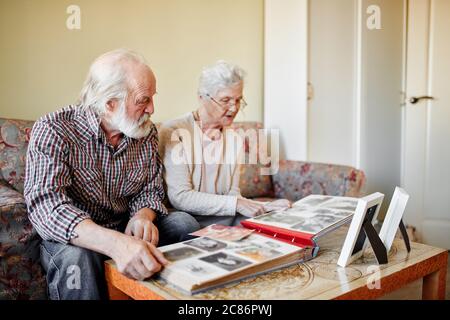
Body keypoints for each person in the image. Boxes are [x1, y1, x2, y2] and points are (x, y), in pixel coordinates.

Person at [24, 49, 199, 300]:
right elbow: (46, 205)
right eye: (143, 100)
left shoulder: (144, 132)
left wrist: (142, 217)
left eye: (152, 98)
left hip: (124, 225)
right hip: (76, 236)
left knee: (184, 224)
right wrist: (116, 244)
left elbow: (150, 189)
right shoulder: (54, 129)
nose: (152, 108)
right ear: (109, 104)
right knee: (78, 259)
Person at [159, 60, 290, 229]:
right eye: (226, 100)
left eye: (238, 100)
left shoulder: (234, 138)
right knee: (184, 224)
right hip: (182, 216)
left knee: (265, 221)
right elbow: (180, 197)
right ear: (202, 98)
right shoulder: (174, 130)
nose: (234, 108)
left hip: (218, 217)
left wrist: (266, 208)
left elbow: (233, 194)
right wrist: (236, 204)